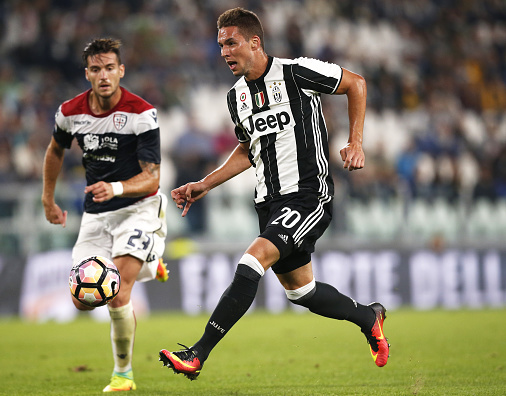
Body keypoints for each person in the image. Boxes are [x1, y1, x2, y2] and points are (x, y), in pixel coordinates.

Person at [159, 8, 389, 380]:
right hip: (268, 201)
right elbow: (248, 148)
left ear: (255, 42)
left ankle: (198, 354)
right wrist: (206, 182)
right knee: (302, 292)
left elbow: (356, 83)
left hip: (307, 195)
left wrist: (355, 141)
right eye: (220, 45)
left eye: (231, 43)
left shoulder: (296, 72)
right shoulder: (236, 97)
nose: (224, 52)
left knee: (252, 261)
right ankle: (369, 317)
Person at [41, 38, 169, 392]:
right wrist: (47, 199)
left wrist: (115, 188)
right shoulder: (70, 112)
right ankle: (149, 263)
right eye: (96, 69)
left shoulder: (141, 113)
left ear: (121, 70)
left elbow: (153, 177)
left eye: (110, 68)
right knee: (81, 300)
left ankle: (123, 374)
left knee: (117, 292)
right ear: (87, 74)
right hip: (96, 215)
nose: (103, 75)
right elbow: (55, 151)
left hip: (138, 208)